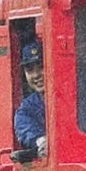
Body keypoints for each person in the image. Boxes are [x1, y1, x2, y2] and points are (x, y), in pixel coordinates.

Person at [10, 22, 49, 161]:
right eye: (30, 70)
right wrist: (40, 141)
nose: (36, 75)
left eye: (41, 66)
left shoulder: (73, 99)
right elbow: (24, 127)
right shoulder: (27, 109)